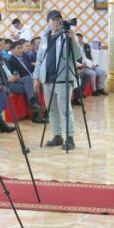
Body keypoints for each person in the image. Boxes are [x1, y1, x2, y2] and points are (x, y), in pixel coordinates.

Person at [35, 10, 84, 150]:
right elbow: (39, 59)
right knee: (51, 110)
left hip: (63, 79)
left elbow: (77, 56)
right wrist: (35, 78)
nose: (56, 22)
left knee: (65, 109)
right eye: (54, 20)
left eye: (59, 20)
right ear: (48, 22)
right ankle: (57, 136)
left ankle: (69, 138)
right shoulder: (44, 38)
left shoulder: (66, 36)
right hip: (46, 79)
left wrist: (73, 40)